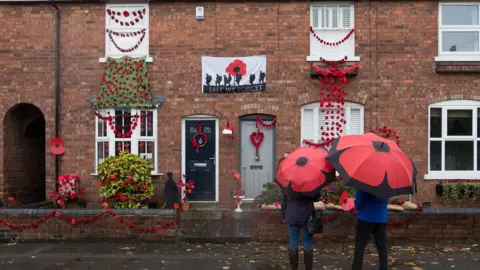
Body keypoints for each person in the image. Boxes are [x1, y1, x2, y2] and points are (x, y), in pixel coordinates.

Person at [351, 190, 388, 270]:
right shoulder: (386, 184)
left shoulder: (364, 184)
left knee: (360, 245)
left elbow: (358, 202)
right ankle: (384, 267)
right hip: (381, 218)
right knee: (382, 246)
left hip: (365, 218)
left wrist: (355, 203)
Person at [281, 191, 315, 270]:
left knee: (293, 243)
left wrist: (283, 216)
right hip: (306, 218)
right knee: (308, 244)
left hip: (292, 217)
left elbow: (284, 203)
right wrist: (314, 216)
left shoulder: (288, 187)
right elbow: (312, 202)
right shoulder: (309, 187)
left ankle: (294, 268)